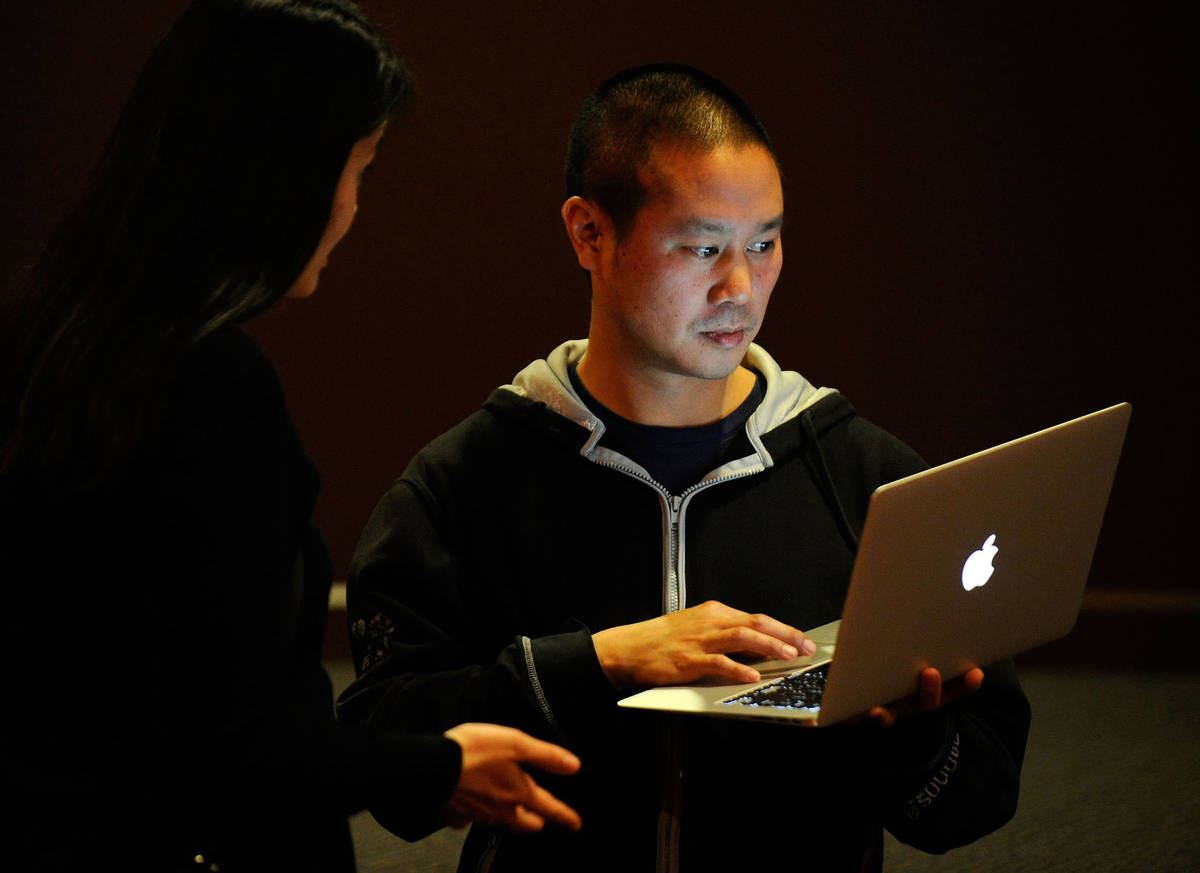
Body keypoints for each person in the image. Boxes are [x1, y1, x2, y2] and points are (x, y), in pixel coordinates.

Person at [336, 64, 1032, 871]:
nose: (740, 286)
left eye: (765, 244)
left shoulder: (868, 480)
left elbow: (978, 801)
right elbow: (388, 770)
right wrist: (599, 662)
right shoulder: (462, 487)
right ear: (589, 233)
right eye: (703, 247)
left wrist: (913, 737)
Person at [0, 2, 582, 871]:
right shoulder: (210, 387)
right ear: (286, 174)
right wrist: (443, 763)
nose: (351, 208)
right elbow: (236, 740)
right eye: (361, 167)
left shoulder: (52, 343)